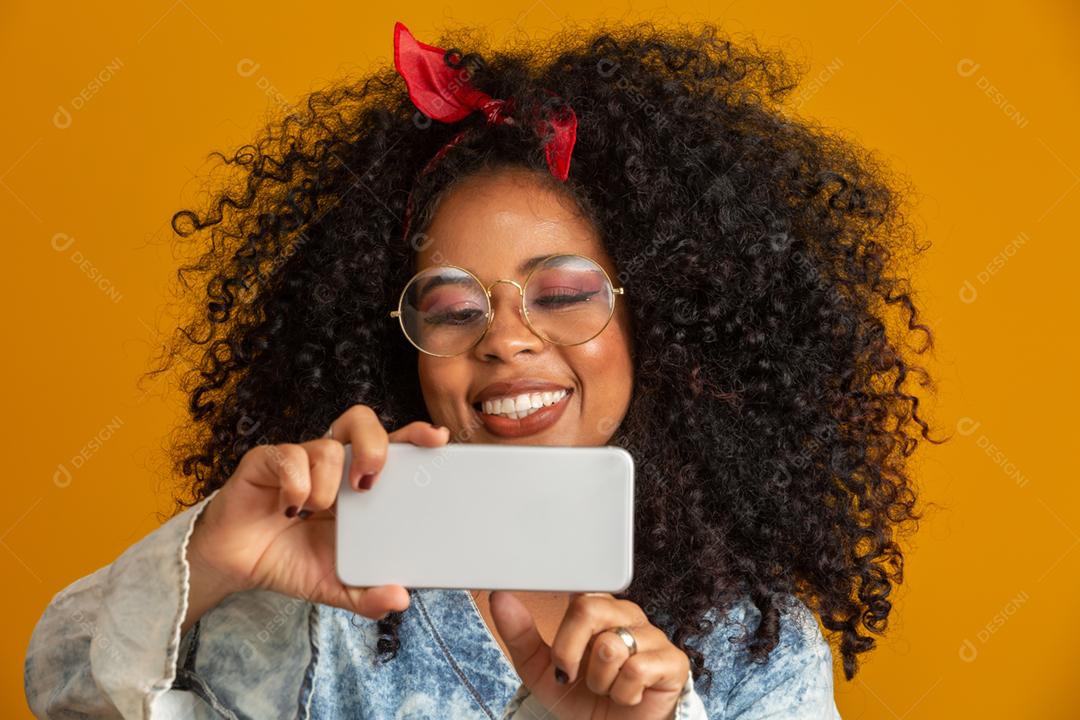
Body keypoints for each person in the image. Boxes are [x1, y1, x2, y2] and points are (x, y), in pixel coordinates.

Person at [24, 18, 940, 719]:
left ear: (658, 320)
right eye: (455, 308)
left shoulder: (753, 642)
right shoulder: (315, 586)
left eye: (565, 292)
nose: (504, 339)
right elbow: (63, 696)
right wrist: (209, 561)